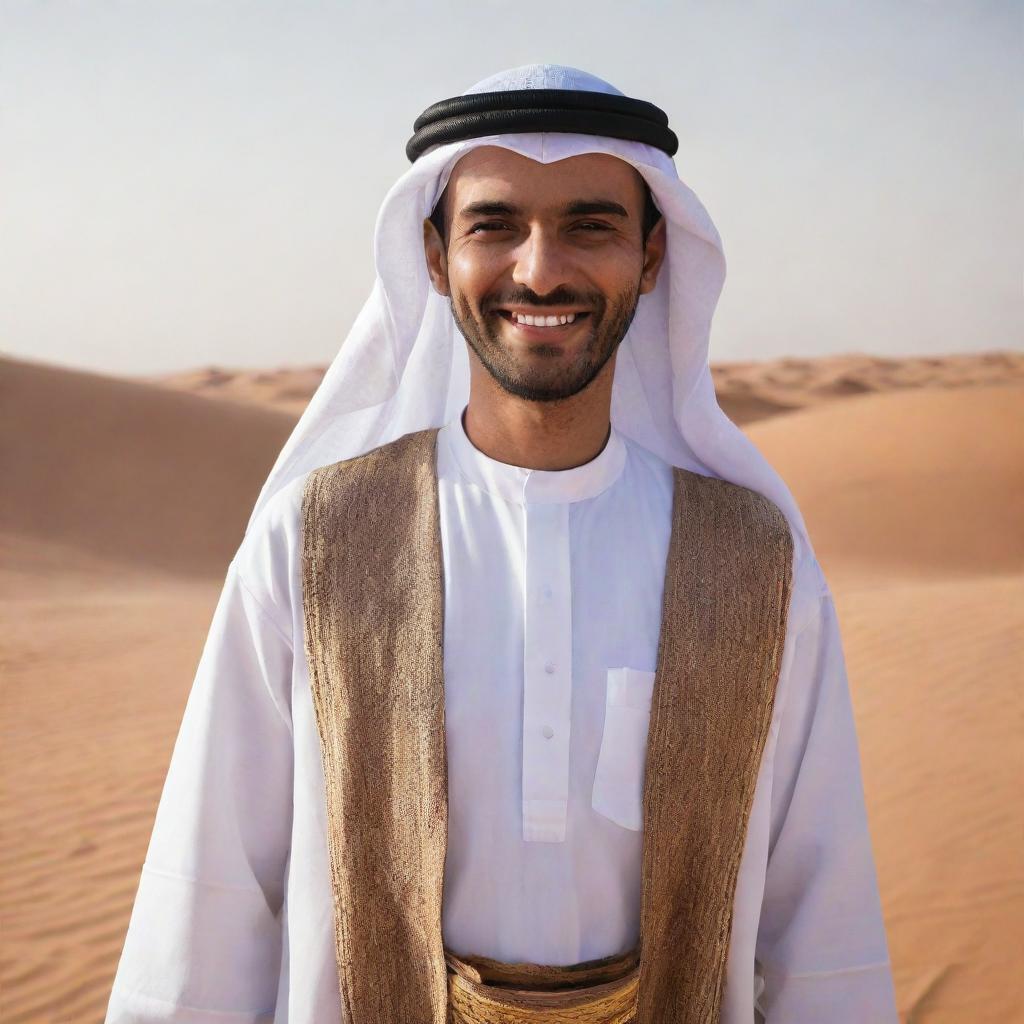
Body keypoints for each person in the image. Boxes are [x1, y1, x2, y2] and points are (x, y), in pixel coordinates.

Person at [105, 64, 898, 1023]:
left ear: (652, 258)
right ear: (435, 258)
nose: (540, 270)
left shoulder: (752, 560)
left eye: (590, 225)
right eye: (494, 225)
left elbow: (823, 924)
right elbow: (214, 895)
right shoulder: (314, 543)